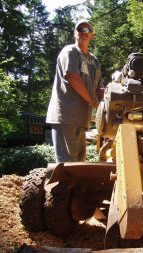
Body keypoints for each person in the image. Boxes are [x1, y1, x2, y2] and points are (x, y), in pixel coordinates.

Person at [46, 19, 104, 163]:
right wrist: (92, 101)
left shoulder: (94, 61)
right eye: (80, 29)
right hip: (66, 116)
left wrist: (105, 108)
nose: (84, 33)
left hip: (82, 119)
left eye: (88, 30)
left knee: (79, 163)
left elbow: (100, 88)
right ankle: (64, 186)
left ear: (92, 35)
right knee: (67, 164)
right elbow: (73, 77)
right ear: (75, 33)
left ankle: (77, 186)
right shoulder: (70, 51)